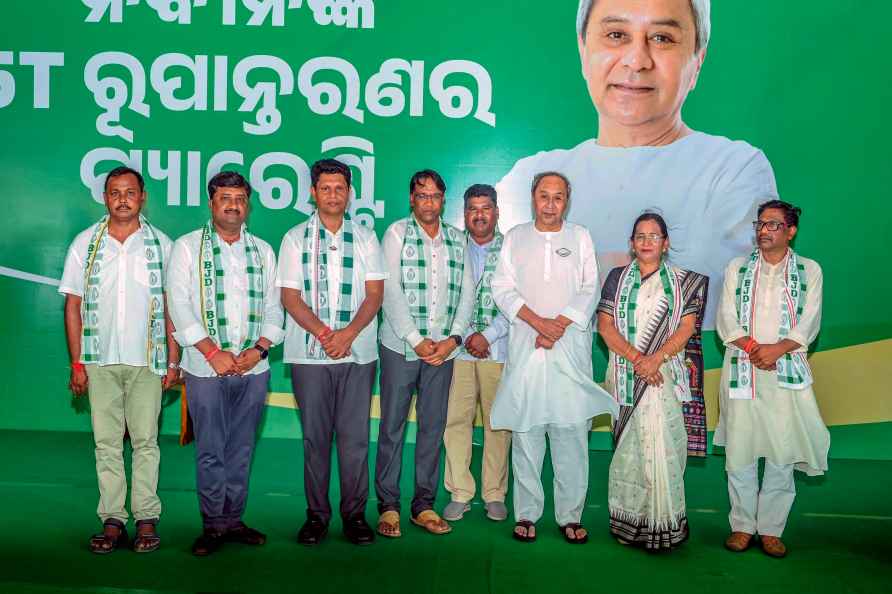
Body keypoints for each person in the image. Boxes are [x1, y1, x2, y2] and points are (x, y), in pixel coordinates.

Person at [496, 0, 777, 327]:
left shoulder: (734, 168)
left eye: (662, 38)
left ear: (697, 61)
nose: (636, 60)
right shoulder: (530, 175)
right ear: (583, 51)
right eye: (616, 34)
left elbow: (719, 301)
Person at [490, 171, 619, 544]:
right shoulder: (515, 238)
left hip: (568, 348)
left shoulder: (579, 237)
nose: (550, 204)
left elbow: (589, 288)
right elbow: (502, 288)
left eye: (558, 197)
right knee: (527, 432)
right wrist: (537, 324)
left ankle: (570, 515)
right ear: (533, 198)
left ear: (567, 201)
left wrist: (558, 326)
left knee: (570, 433)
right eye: (544, 196)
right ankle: (527, 514)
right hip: (527, 346)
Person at [59, 166, 177, 554]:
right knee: (106, 443)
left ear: (143, 197)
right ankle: (112, 518)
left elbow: (175, 306)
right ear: (105, 198)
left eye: (130, 192)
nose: (122, 198)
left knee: (146, 442)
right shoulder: (85, 243)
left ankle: (146, 517)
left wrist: (174, 359)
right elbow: (73, 305)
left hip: (149, 359)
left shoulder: (163, 244)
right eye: (114, 192)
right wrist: (77, 363)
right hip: (100, 359)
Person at [167, 171, 284, 556]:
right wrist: (212, 353)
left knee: (242, 449)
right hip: (205, 368)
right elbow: (179, 306)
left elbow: (274, 308)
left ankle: (234, 520)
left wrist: (259, 350)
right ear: (211, 203)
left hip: (254, 369)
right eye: (225, 198)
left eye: (240, 198)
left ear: (248, 204)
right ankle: (212, 525)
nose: (233, 205)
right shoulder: (186, 248)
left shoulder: (263, 251)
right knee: (211, 450)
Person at [277, 159, 386, 546]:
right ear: (313, 192)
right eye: (326, 188)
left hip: (358, 354)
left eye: (340, 187)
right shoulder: (294, 238)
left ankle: (354, 515)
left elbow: (375, 294)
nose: (333, 194)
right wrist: (327, 334)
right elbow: (289, 297)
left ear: (349, 192)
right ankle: (316, 516)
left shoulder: (367, 238)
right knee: (316, 439)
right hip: (310, 355)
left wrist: (348, 335)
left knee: (355, 438)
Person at [715, 199, 828, 558]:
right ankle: (743, 526)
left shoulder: (809, 271)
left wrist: (777, 350)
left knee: (782, 449)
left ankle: (771, 529)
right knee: (741, 448)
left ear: (791, 231)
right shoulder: (737, 267)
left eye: (773, 225)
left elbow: (809, 321)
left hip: (785, 370)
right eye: (760, 224)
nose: (764, 231)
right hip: (742, 368)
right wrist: (753, 348)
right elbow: (726, 320)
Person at [597, 212, 708, 551]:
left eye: (654, 236)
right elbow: (605, 327)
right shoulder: (617, 278)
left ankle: (664, 522)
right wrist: (638, 360)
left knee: (663, 446)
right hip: (627, 376)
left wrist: (654, 359)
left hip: (664, 377)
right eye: (640, 236)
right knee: (630, 450)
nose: (646, 242)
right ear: (631, 243)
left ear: (666, 242)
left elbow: (686, 328)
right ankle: (630, 521)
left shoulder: (683, 282)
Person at [375, 169, 475, 537]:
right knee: (392, 428)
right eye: (422, 196)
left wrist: (454, 339)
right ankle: (388, 506)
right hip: (401, 348)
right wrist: (416, 338)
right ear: (411, 199)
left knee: (432, 428)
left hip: (443, 353)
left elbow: (467, 292)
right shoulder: (397, 234)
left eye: (435, 196)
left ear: (442, 201)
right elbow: (390, 290)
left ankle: (423, 505)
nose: (428, 202)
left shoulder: (455, 239)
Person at [441, 184, 512, 523]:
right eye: (473, 208)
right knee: (456, 420)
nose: (479, 214)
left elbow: (518, 300)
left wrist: (488, 334)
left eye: (486, 208)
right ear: (464, 214)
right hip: (458, 351)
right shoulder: (453, 248)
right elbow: (447, 297)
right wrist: (469, 336)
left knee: (498, 423)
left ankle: (494, 493)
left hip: (498, 349)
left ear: (497, 212)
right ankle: (460, 491)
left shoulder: (513, 249)